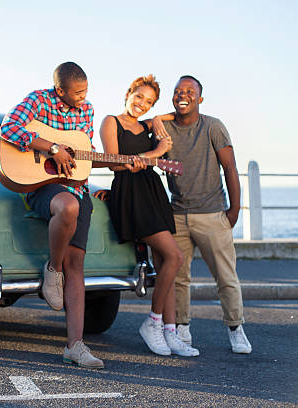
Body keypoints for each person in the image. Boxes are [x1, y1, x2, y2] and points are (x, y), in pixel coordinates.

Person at [0, 62, 113, 369]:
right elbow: (8, 129)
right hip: (41, 187)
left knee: (78, 264)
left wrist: (122, 162)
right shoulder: (38, 100)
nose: (83, 97)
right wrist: (51, 148)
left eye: (86, 91)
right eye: (77, 92)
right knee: (68, 206)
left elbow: (82, 156)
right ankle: (53, 267)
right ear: (59, 90)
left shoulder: (86, 110)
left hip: (76, 187)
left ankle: (75, 346)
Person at [99, 75, 199, 357]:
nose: (142, 104)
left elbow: (176, 112)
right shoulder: (111, 121)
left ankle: (170, 331)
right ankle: (153, 322)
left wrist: (156, 120)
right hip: (131, 194)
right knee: (175, 256)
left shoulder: (146, 123)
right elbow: (112, 163)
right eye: (139, 97)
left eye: (149, 102)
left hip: (152, 191)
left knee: (164, 261)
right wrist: (156, 151)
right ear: (128, 93)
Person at [163, 75, 251, 354]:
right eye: (178, 91)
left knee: (226, 277)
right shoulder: (163, 128)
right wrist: (158, 119)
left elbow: (230, 168)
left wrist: (234, 210)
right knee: (179, 276)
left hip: (213, 213)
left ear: (200, 99)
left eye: (189, 91)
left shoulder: (213, 126)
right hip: (177, 213)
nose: (182, 95)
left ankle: (236, 328)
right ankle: (182, 326)